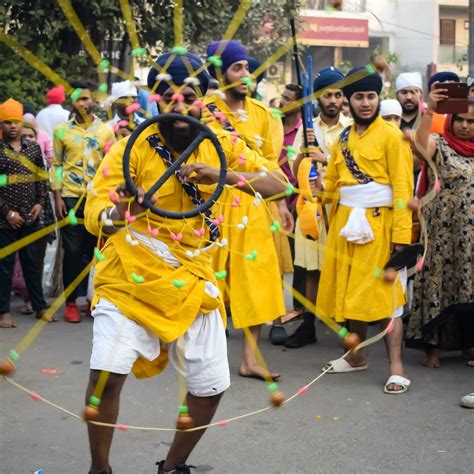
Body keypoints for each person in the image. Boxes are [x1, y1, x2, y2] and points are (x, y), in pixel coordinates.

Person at [83, 51, 286, 474]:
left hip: (193, 276)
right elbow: (94, 213)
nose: (178, 106)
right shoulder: (130, 148)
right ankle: (99, 469)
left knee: (211, 386)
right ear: (154, 98)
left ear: (203, 98)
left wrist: (223, 175)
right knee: (106, 376)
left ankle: (173, 466)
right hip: (130, 274)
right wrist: (121, 212)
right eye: (167, 96)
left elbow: (278, 184)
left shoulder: (223, 143)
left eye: (188, 96)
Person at [314, 67, 414, 394]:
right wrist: (319, 187)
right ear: (348, 101)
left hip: (382, 225)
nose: (366, 103)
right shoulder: (343, 139)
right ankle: (356, 356)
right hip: (346, 224)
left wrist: (401, 238)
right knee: (349, 291)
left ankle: (397, 367)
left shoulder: (391, 136)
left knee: (387, 298)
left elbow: (402, 187)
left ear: (378, 98)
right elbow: (332, 185)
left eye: (371, 96)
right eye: (359, 97)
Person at [203, 40, 292, 379]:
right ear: (219, 72)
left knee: (256, 283)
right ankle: (204, 355)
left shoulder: (266, 116)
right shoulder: (201, 109)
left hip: (253, 208)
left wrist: (281, 205)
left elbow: (272, 167)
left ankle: (250, 360)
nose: (245, 76)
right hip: (210, 208)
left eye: (248, 69)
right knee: (207, 282)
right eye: (237, 68)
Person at [406, 88, 473, 368]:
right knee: (438, 284)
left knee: (468, 286)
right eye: (459, 120)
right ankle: (432, 348)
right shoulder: (440, 144)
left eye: (471, 122)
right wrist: (429, 111)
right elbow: (418, 148)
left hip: (470, 239)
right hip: (442, 235)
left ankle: (468, 345)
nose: (465, 125)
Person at [287, 66, 352, 349]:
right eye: (328, 95)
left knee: (343, 268)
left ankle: (346, 324)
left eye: (338, 95)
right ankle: (309, 325)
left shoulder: (351, 128)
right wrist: (304, 151)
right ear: (319, 98)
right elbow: (292, 167)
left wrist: (325, 158)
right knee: (312, 269)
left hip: (341, 205)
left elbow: (354, 168)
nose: (333, 101)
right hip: (311, 206)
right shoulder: (306, 126)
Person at [51, 81, 115, 323]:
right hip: (70, 196)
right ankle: (70, 302)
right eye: (78, 99)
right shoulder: (61, 131)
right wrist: (57, 196)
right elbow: (56, 164)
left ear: (93, 101)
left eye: (86, 98)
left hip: (97, 197)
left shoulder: (106, 131)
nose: (82, 103)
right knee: (73, 251)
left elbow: (110, 166)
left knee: (95, 250)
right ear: (71, 102)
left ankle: (93, 299)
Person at [0, 98, 49, 328]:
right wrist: (7, 212)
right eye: (7, 122)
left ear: (22, 124)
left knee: (32, 264)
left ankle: (40, 307)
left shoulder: (33, 148)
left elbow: (42, 177)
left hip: (30, 216)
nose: (12, 126)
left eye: (16, 122)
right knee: (5, 265)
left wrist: (40, 203)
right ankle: (3, 313)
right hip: (5, 220)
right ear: (1, 125)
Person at [276, 83, 306, 325]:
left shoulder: (304, 131)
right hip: (273, 199)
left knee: (297, 258)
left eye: (287, 98)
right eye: (282, 97)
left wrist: (296, 202)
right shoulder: (274, 124)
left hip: (296, 201)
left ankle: (297, 308)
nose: (282, 101)